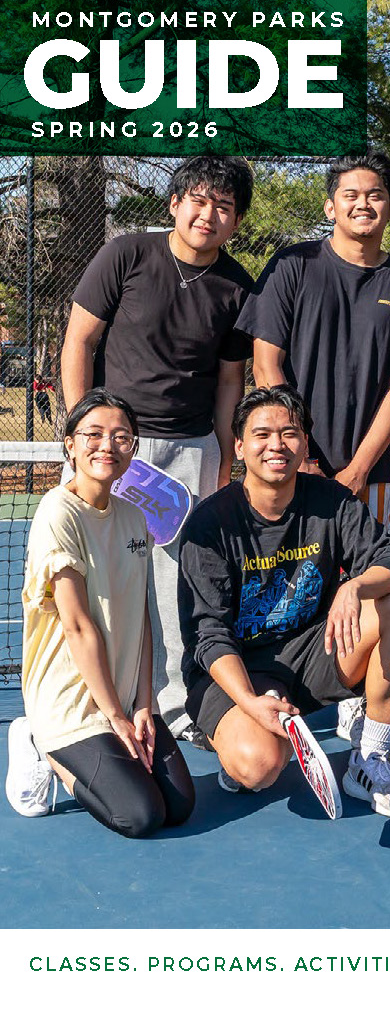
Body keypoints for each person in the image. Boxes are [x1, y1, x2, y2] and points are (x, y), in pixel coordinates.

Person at [61, 156, 255, 744]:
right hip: (114, 449)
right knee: (92, 582)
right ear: (175, 203)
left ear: (237, 220)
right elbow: (79, 341)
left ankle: (173, 708)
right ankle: (80, 707)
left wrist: (223, 460)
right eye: (199, 200)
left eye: (224, 206)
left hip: (191, 450)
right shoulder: (126, 255)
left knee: (176, 589)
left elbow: (230, 381)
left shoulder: (238, 286)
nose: (209, 215)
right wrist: (86, 434)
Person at [178, 386, 390, 819]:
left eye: (288, 433)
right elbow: (208, 635)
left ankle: (370, 759)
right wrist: (250, 701)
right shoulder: (209, 524)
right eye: (261, 434)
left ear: (305, 443)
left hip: (313, 655)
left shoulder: (331, 500)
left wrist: (356, 587)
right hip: (235, 670)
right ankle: (239, 746)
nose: (276, 444)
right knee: (259, 767)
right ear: (240, 446)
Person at [5, 389, 195, 836]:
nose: (107, 445)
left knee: (179, 806)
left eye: (121, 436)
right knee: (140, 815)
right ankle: (41, 742)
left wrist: (144, 706)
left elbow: (141, 617)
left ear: (133, 448)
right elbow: (77, 625)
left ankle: (107, 736)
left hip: (124, 696)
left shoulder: (134, 517)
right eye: (93, 434)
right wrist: (115, 717)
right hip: (72, 700)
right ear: (70, 444)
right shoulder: (57, 512)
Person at [235, 151, 390, 528]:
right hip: (285, 468)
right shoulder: (291, 266)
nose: (363, 203)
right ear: (330, 207)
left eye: (375, 195)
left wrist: (358, 470)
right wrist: (301, 458)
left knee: (368, 567)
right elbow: (265, 366)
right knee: (283, 566)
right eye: (350, 195)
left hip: (369, 477)